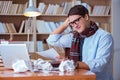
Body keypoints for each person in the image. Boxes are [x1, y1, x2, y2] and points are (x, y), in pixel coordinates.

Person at [46, 5, 113, 80]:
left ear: (86, 17)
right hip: (78, 77)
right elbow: (51, 40)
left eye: (76, 20)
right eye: (71, 23)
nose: (75, 25)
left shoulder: (104, 37)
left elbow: (99, 64)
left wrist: (72, 63)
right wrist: (65, 24)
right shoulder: (74, 36)